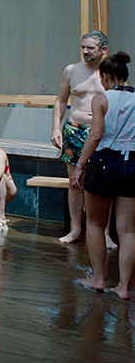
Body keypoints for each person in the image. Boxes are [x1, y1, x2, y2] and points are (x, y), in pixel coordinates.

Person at [71, 51, 135, 300]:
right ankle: (123, 287)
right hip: (132, 164)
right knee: (128, 230)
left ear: (104, 76)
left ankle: (98, 279)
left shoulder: (101, 99)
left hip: (104, 162)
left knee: (96, 224)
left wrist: (79, 166)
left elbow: (95, 135)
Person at [52, 30, 110, 244]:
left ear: (103, 50)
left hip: (102, 132)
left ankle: (103, 232)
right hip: (74, 130)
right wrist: (55, 128)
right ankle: (75, 229)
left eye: (90, 48)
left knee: (103, 183)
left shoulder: (109, 72)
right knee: (74, 181)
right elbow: (60, 100)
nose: (85, 51)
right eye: (83, 47)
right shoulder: (71, 70)